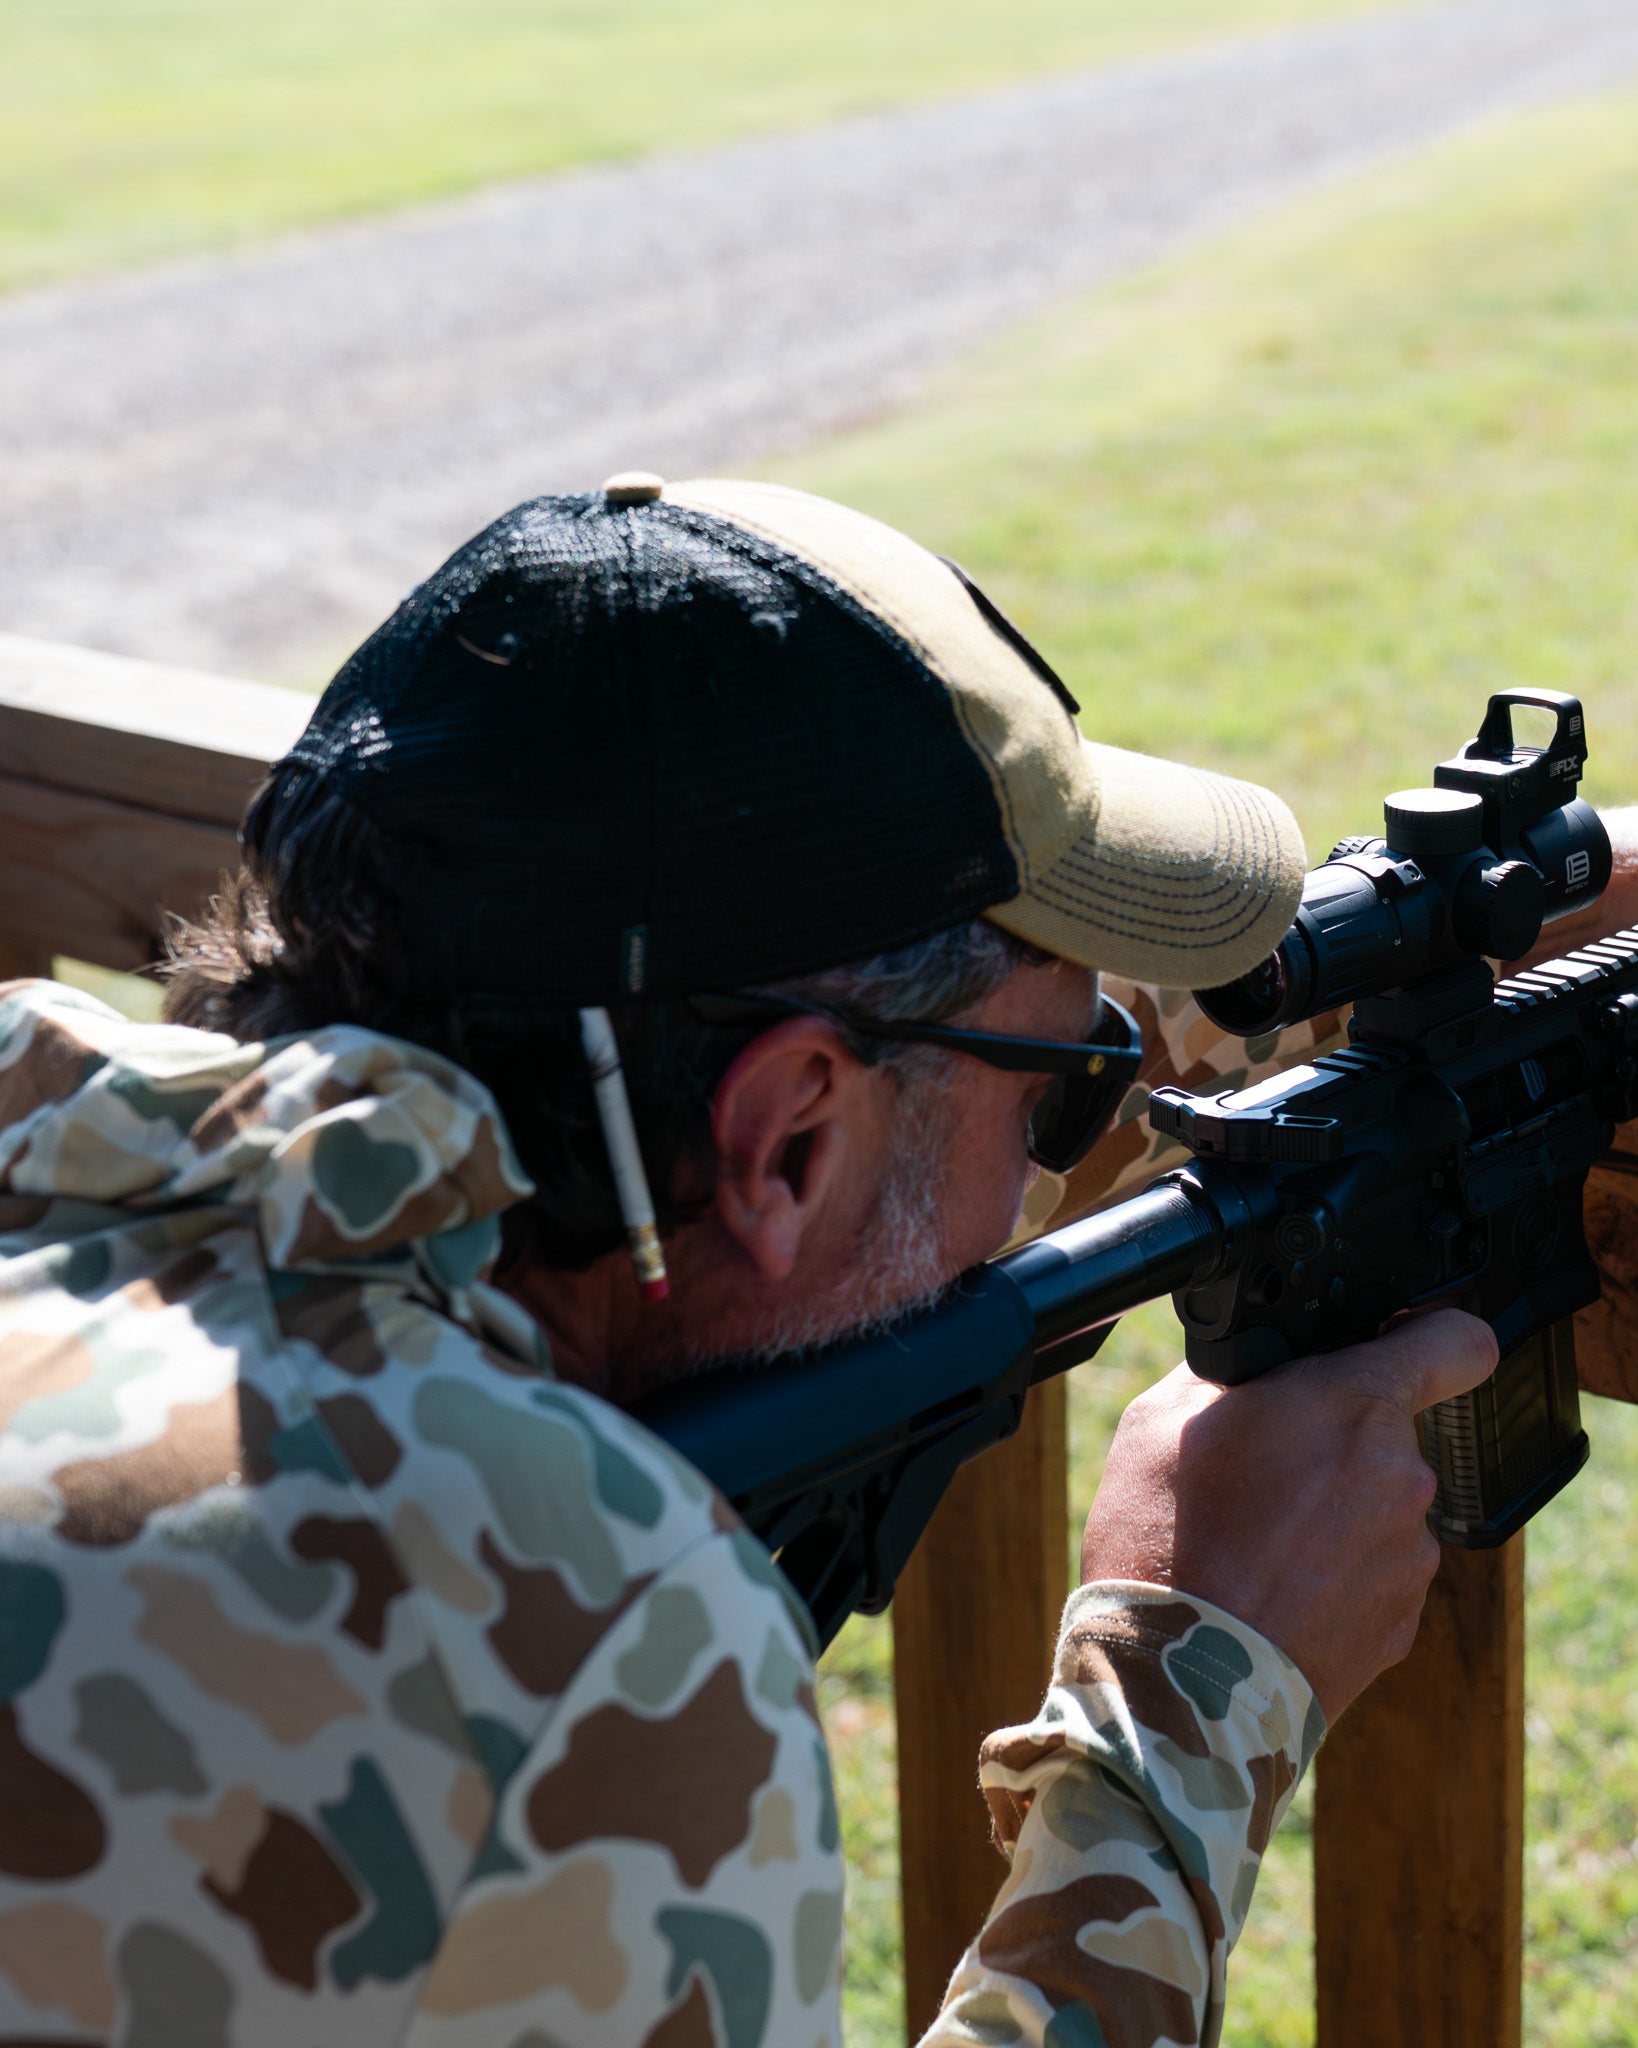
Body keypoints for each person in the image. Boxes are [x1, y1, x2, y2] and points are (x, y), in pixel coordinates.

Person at [0, 476, 1495, 2047]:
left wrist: (1430, 938)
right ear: (784, 1142)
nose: (1062, 1134)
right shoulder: (580, 1625)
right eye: (1059, 1087)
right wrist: (1186, 1713)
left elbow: (904, 1123)